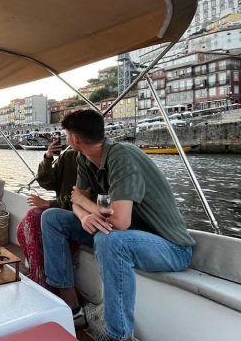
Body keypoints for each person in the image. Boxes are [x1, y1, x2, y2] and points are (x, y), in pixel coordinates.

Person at [42, 109, 195, 341]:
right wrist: (83, 216)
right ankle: (73, 310)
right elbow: (76, 202)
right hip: (126, 233)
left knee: (110, 239)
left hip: (170, 247)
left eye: (66, 135)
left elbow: (120, 221)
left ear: (75, 139)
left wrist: (84, 203)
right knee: (52, 218)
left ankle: (118, 335)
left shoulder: (122, 156)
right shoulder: (84, 158)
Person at [17, 132, 79, 288]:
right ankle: (37, 272)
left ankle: (39, 278)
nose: (67, 138)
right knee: (21, 228)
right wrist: (48, 157)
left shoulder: (92, 160)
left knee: (33, 215)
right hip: (63, 209)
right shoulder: (68, 156)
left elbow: (85, 199)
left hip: (79, 215)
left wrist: (49, 203)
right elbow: (48, 183)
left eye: (68, 134)